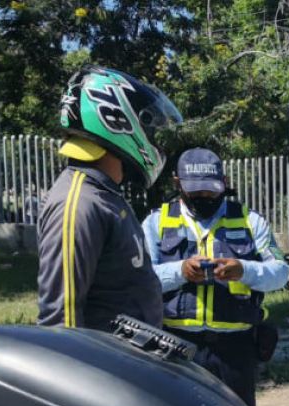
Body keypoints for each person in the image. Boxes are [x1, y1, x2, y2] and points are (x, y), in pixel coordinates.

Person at [141, 148, 289, 406]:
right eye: (196, 192)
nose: (204, 198)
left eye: (210, 191)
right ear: (178, 184)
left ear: (224, 183)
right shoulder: (156, 223)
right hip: (175, 348)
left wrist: (244, 270)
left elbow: (281, 273)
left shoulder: (250, 221)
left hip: (235, 351)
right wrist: (180, 271)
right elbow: (140, 280)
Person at [37, 66, 182, 330]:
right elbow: (60, 323)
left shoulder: (104, 193)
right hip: (106, 367)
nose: (153, 138)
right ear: (115, 119)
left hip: (129, 365)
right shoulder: (79, 203)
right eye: (147, 124)